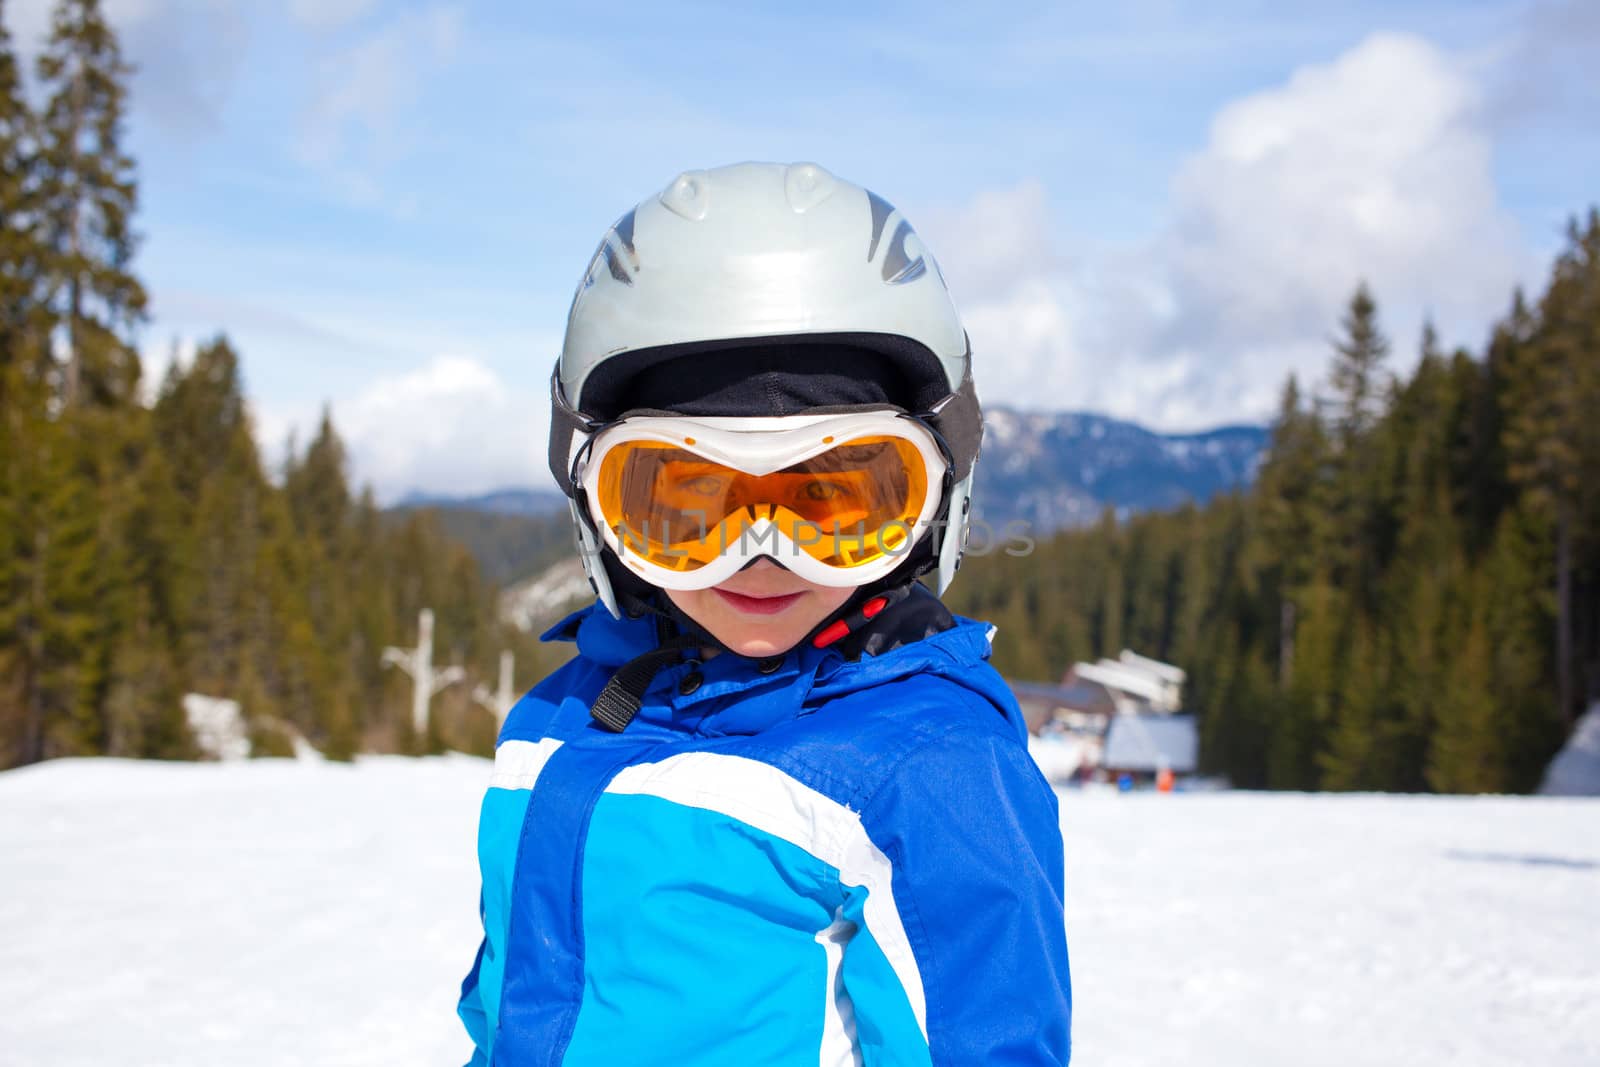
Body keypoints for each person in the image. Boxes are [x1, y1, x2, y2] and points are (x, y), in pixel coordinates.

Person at [457, 162, 1072, 1065]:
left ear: (935, 496)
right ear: (592, 497)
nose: (762, 552)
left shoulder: (930, 763)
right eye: (685, 504)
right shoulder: (558, 718)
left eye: (835, 502)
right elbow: (516, 1004)